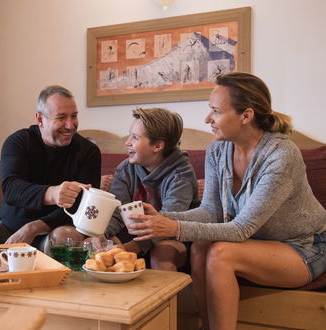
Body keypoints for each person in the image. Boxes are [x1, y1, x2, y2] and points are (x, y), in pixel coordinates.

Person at [126, 72, 326, 329]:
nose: (207, 119)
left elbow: (242, 228)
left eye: (216, 111)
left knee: (221, 253)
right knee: (200, 246)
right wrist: (162, 218)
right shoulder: (218, 150)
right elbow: (210, 211)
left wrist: (173, 228)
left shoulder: (281, 155)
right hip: (257, 244)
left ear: (246, 116)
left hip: (304, 246)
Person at [0, 85, 101, 250]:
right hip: (9, 228)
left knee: (66, 238)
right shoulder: (18, 142)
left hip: (55, 231)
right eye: (61, 118)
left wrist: (33, 228)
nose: (70, 125)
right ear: (40, 119)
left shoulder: (88, 151)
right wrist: (53, 193)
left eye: (73, 116)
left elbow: (84, 208)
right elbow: (11, 189)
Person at [102, 107, 199, 271]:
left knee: (163, 250)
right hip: (134, 233)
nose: (127, 142)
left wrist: (131, 247)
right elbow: (117, 212)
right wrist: (102, 236)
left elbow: (167, 226)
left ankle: (165, 296)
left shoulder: (181, 175)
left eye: (135, 137)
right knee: (106, 246)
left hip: (174, 237)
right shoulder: (126, 169)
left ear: (158, 146)